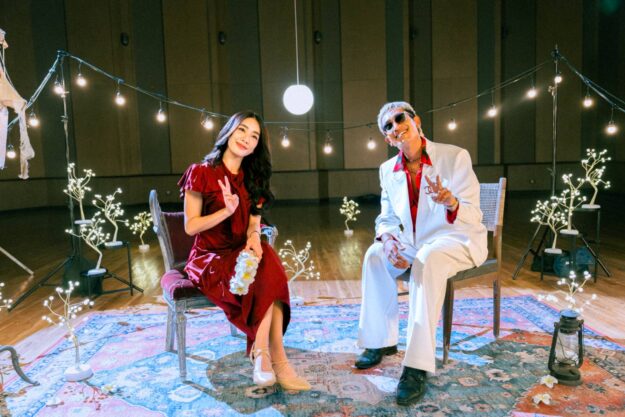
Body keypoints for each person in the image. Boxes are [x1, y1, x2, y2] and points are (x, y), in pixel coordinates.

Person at [356, 102, 487, 405]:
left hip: (457, 237)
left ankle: (416, 366)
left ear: (415, 120)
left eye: (399, 118)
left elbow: (474, 214)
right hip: (417, 242)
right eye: (388, 126)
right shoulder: (387, 170)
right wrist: (389, 240)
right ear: (388, 139)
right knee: (375, 255)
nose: (395, 126)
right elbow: (387, 215)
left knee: (427, 261)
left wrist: (452, 201)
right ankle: (379, 341)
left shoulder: (455, 156)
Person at [178, 110, 310, 391]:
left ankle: (267, 357)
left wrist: (253, 238)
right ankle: (272, 359)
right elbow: (191, 226)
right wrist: (225, 211)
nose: (246, 139)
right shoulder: (200, 172)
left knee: (265, 257)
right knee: (266, 271)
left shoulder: (254, 178)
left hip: (241, 251)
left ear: (257, 146)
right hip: (210, 258)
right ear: (229, 131)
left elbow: (253, 223)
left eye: (254, 136)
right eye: (242, 130)